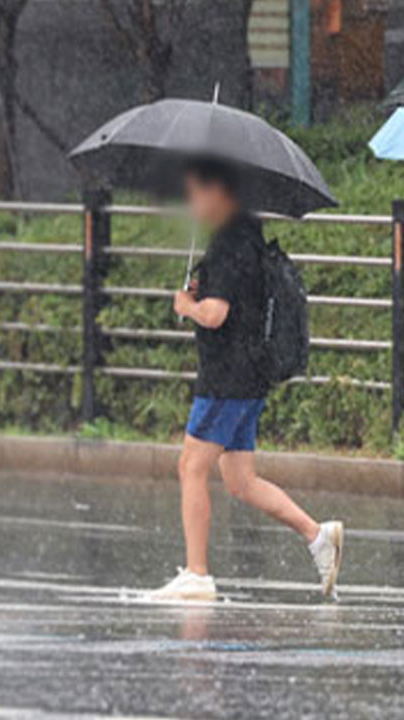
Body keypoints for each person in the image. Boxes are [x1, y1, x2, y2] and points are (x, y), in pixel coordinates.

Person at [145, 159, 344, 602]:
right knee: (239, 479)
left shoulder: (230, 245)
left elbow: (216, 314)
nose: (191, 201)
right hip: (249, 376)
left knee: (191, 467)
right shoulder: (245, 239)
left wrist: (186, 307)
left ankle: (197, 573)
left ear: (220, 193)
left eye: (196, 191)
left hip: (226, 379)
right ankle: (317, 535)